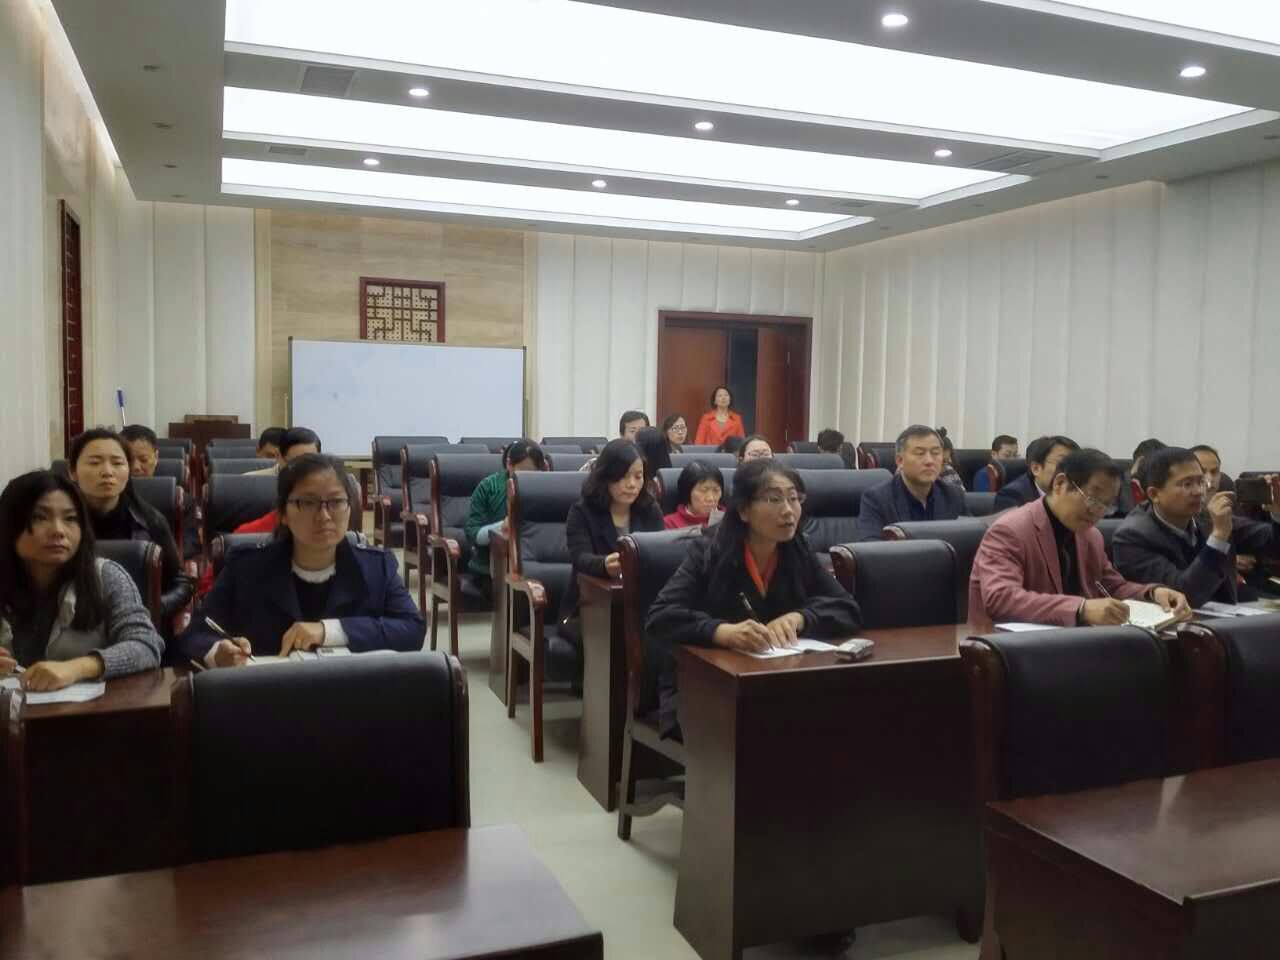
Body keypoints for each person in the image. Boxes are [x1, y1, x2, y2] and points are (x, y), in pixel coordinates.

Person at [647, 459, 863, 738]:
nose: (788, 510)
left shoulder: (797, 549)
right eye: (774, 499)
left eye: (794, 498)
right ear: (744, 510)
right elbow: (661, 616)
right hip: (702, 686)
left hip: (777, 682)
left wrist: (800, 618)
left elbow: (847, 608)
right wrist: (722, 632)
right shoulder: (709, 551)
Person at [179, 454, 424, 666]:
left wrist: (330, 631)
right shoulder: (246, 568)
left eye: (336, 502)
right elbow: (196, 634)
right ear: (283, 514)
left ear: (350, 508)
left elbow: (412, 629)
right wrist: (218, 653)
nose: (324, 516)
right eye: (308, 503)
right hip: (268, 698)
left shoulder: (376, 567)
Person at [970, 448, 1190, 626]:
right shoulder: (1009, 531)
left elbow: (1111, 587)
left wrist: (1153, 593)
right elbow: (1001, 598)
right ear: (1060, 484)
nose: (1097, 512)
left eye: (1106, 505)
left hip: (1072, 642)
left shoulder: (1090, 536)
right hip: (1010, 648)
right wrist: (1081, 608)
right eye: (1093, 500)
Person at [0, 471, 164, 689]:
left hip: (93, 709)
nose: (58, 531)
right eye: (39, 517)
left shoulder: (106, 576)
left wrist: (77, 668)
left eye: (70, 518)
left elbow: (146, 645)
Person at [1113, 447, 1280, 608]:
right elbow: (1186, 596)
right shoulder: (1132, 537)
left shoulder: (1206, 516)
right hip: (1175, 623)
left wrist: (1277, 513)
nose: (1199, 491)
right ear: (1154, 494)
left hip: (1228, 618)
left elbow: (1273, 545)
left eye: (1200, 482)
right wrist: (1219, 537)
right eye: (1187, 484)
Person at [68, 428, 193, 629]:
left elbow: (182, 584)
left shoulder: (151, 520)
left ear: (127, 470)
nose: (107, 472)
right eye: (94, 462)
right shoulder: (59, 525)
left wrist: (152, 608)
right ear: (72, 471)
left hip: (139, 624)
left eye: (117, 463)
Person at [194, 427, 331, 598]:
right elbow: (208, 590)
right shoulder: (246, 537)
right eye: (296, 464)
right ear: (280, 461)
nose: (305, 473)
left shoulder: (333, 535)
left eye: (312, 464)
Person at [562, 440, 664, 635]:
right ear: (606, 476)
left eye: (638, 476)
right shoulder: (582, 511)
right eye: (624, 476)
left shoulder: (650, 510)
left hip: (641, 606)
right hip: (589, 608)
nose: (632, 484)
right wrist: (604, 565)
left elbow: (660, 555)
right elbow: (580, 558)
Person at [855, 425, 968, 541]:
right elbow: (870, 546)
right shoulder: (877, 499)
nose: (929, 461)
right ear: (900, 461)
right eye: (920, 453)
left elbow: (970, 539)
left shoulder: (953, 496)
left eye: (935, 453)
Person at [465, 439, 547, 593]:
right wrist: (502, 526)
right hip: (490, 569)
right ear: (509, 464)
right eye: (523, 472)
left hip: (535, 565)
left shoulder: (545, 489)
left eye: (535, 473)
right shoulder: (488, 487)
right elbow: (473, 534)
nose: (528, 478)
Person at [122, 423, 199, 559]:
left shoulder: (179, 500)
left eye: (143, 460)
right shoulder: (106, 500)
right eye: (127, 460)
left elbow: (189, 546)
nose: (135, 467)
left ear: (156, 457)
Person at [993, 435, 1079, 512]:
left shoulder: (1076, 493)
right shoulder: (1011, 496)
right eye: (1062, 463)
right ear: (1036, 468)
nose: (1071, 471)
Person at [664, 461, 725, 530]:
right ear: (687, 492)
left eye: (716, 490)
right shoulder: (669, 524)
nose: (711, 498)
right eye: (703, 490)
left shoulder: (730, 520)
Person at [246, 426, 320, 476]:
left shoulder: (324, 484)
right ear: (278, 456)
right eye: (294, 463)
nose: (303, 470)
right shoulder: (250, 481)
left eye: (310, 463)